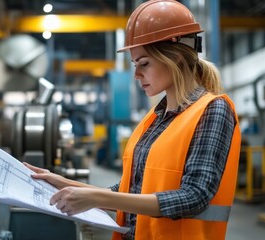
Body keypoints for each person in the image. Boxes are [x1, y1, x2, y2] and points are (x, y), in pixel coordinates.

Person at [24, 0, 241, 239]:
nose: (137, 74)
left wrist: (94, 198)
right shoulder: (155, 118)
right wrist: (61, 182)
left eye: (144, 64)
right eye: (135, 64)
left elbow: (195, 196)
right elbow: (128, 191)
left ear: (176, 58)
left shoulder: (213, 110)